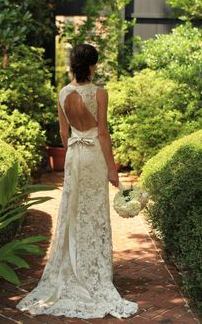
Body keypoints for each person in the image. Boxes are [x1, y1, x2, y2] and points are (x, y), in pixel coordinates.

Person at [16, 43, 139, 319]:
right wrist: (112, 167)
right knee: (93, 212)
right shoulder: (99, 93)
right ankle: (94, 271)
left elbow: (63, 131)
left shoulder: (63, 93)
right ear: (93, 66)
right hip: (94, 154)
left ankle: (70, 269)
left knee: (71, 212)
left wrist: (72, 150)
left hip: (74, 154)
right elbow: (103, 133)